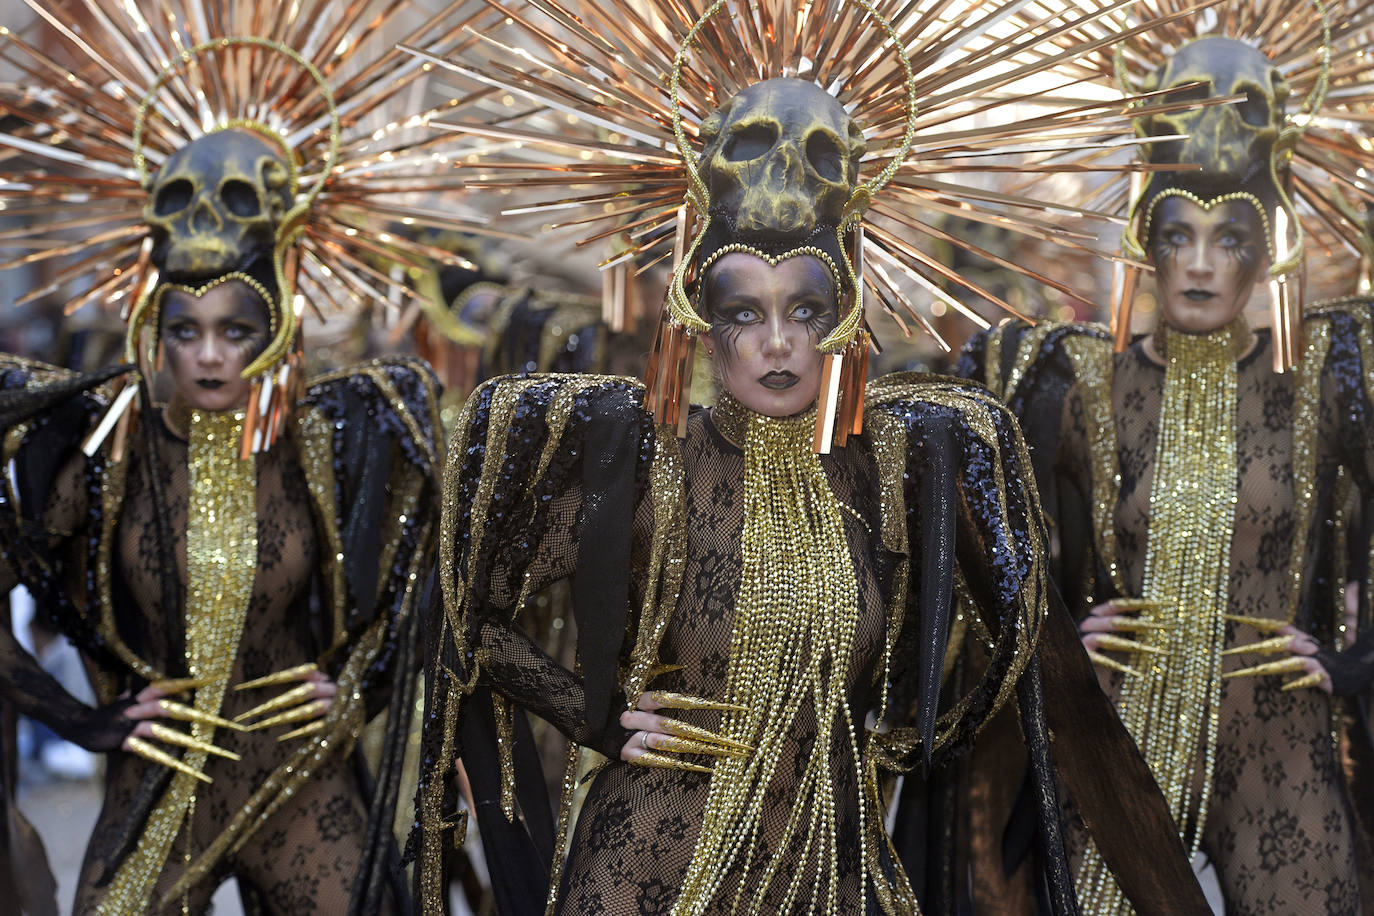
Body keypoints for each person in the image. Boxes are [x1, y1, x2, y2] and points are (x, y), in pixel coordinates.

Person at [413, 3, 1214, 912]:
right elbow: (469, 619)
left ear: (845, 313)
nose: (778, 343)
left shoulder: (898, 468)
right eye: (744, 312)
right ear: (701, 325)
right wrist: (596, 719)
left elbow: (998, 645)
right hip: (647, 867)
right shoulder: (643, 465)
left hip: (826, 869)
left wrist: (899, 740)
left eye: (804, 309)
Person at [0, 13, 479, 912]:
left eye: (235, 331)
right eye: (186, 331)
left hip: (302, 776)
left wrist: (359, 691)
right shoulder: (105, 449)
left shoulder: (342, 438)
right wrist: (85, 719)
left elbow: (434, 581)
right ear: (155, 331)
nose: (211, 356)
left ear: (276, 334)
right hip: (160, 786)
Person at [959, 12, 1374, 912]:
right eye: (1177, 234)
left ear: (1267, 250)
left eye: (1229, 239)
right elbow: (970, 536)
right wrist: (1057, 634)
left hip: (1281, 750)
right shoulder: (1073, 386)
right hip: (1124, 750)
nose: (1197, 265)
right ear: (1145, 242)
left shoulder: (1324, 383)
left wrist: (1354, 661)